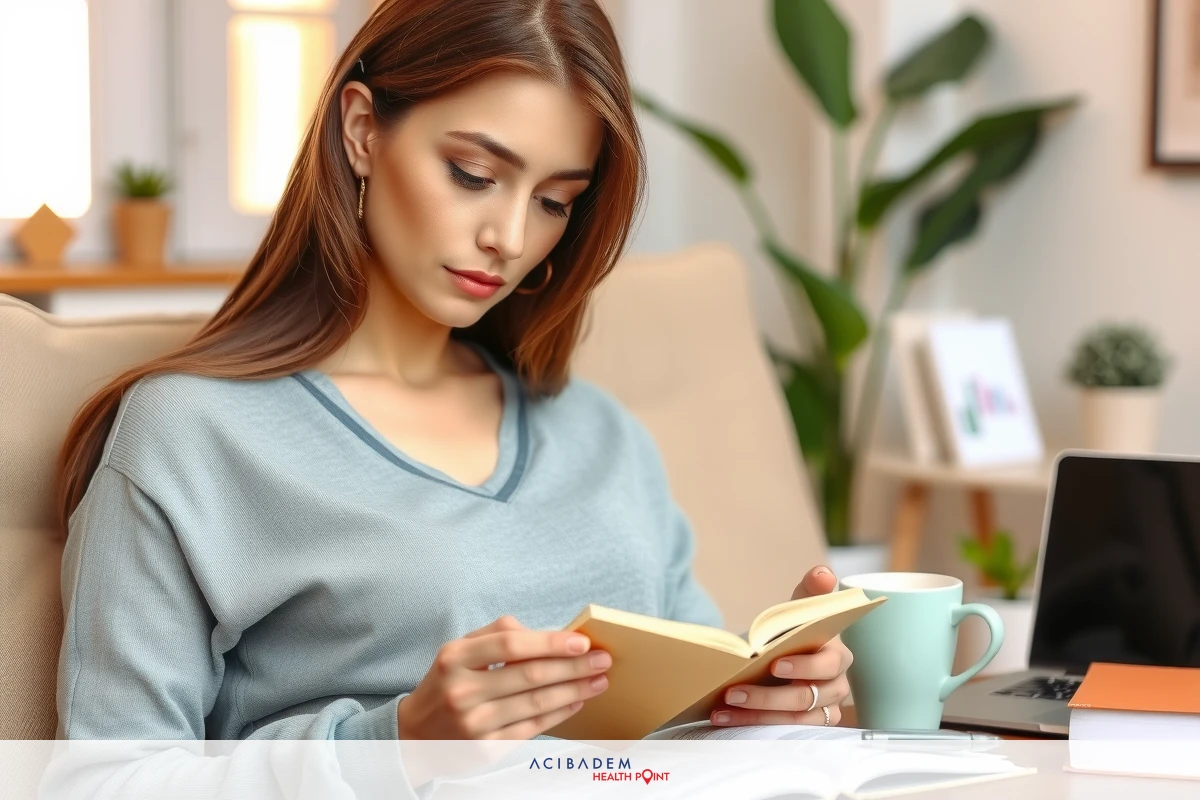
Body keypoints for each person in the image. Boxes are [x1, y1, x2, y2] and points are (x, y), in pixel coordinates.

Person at [54, 0, 851, 750]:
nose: (508, 236)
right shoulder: (190, 432)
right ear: (363, 130)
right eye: (473, 173)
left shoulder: (598, 431)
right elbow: (107, 779)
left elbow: (688, 726)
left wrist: (768, 706)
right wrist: (397, 742)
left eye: (554, 201)